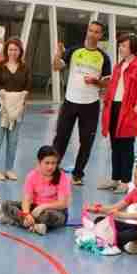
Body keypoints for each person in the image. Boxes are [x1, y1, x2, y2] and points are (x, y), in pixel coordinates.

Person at [52, 21, 112, 186]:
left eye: (97, 32)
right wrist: (58, 54)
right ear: (87, 31)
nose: (93, 34)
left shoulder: (104, 58)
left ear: (101, 35)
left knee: (86, 142)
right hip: (70, 102)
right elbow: (56, 67)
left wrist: (96, 81)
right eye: (91, 30)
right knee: (61, 138)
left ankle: (78, 174)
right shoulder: (73, 51)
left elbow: (107, 83)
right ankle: (53, 170)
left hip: (90, 105)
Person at [98, 34, 137, 194]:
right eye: (120, 45)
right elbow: (112, 87)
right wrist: (106, 102)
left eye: (124, 46)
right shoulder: (118, 66)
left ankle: (125, 181)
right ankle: (115, 178)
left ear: (133, 48)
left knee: (126, 147)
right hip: (114, 107)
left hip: (128, 109)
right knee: (114, 145)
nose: (120, 48)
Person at [88, 160, 137, 253]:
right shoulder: (135, 191)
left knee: (123, 235)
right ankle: (130, 241)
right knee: (99, 220)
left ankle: (132, 241)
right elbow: (116, 207)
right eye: (135, 178)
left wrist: (120, 215)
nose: (135, 181)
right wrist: (98, 209)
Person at [0, 145, 71, 235]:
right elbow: (27, 199)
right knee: (6, 204)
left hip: (55, 211)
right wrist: (26, 214)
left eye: (53, 163)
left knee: (48, 216)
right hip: (34, 208)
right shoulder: (32, 175)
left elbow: (63, 204)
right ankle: (35, 226)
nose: (50, 167)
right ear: (39, 162)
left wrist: (43, 207)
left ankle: (17, 221)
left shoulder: (62, 176)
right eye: (47, 163)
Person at [0, 38, 31, 181]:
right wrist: (7, 99)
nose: (13, 52)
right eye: (10, 49)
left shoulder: (25, 68)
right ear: (6, 50)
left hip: (17, 110)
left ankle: (9, 169)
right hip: (0, 108)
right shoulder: (0, 66)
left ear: (20, 51)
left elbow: (27, 87)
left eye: (16, 49)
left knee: (13, 141)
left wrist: (19, 102)